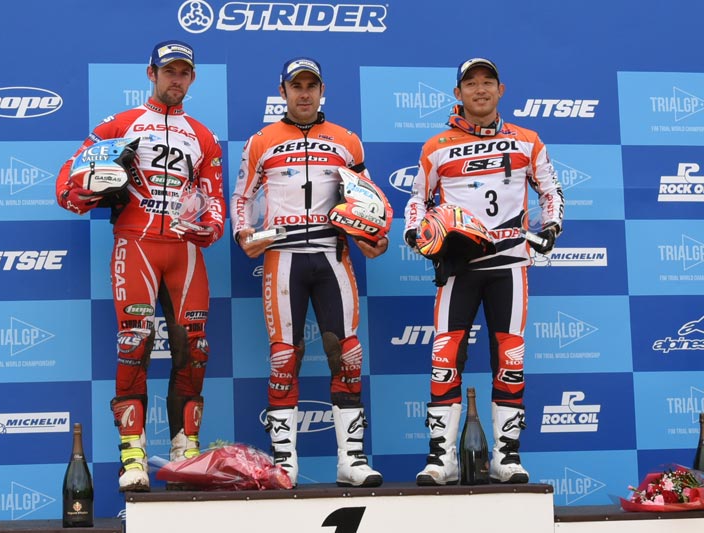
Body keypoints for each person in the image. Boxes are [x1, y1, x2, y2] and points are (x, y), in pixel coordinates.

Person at [55, 40, 225, 492]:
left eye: (184, 72)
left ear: (192, 78)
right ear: (151, 73)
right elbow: (66, 188)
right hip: (137, 244)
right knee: (135, 342)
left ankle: (184, 452)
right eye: (168, 70)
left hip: (185, 252)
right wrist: (93, 190)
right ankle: (133, 457)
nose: (176, 79)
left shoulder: (203, 136)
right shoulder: (121, 125)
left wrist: (208, 226)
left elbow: (215, 204)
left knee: (196, 346)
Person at [404, 57, 565, 485]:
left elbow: (551, 188)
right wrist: (414, 232)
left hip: (510, 264)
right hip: (460, 267)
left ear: (501, 89)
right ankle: (442, 460)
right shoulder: (436, 145)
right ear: (458, 94)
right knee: (445, 357)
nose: (480, 89)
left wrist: (551, 227)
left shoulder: (527, 140)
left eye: (487, 82)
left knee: (509, 359)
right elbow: (416, 200)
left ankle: (506, 458)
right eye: (470, 83)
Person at [230, 57, 387, 488]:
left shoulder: (346, 140)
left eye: (311, 86)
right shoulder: (261, 141)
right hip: (282, 257)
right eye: (296, 86)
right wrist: (244, 233)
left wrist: (374, 235)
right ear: (282, 91)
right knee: (284, 356)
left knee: (348, 354)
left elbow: (366, 199)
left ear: (321, 91)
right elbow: (241, 196)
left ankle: (351, 460)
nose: (304, 93)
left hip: (331, 253)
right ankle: (285, 464)